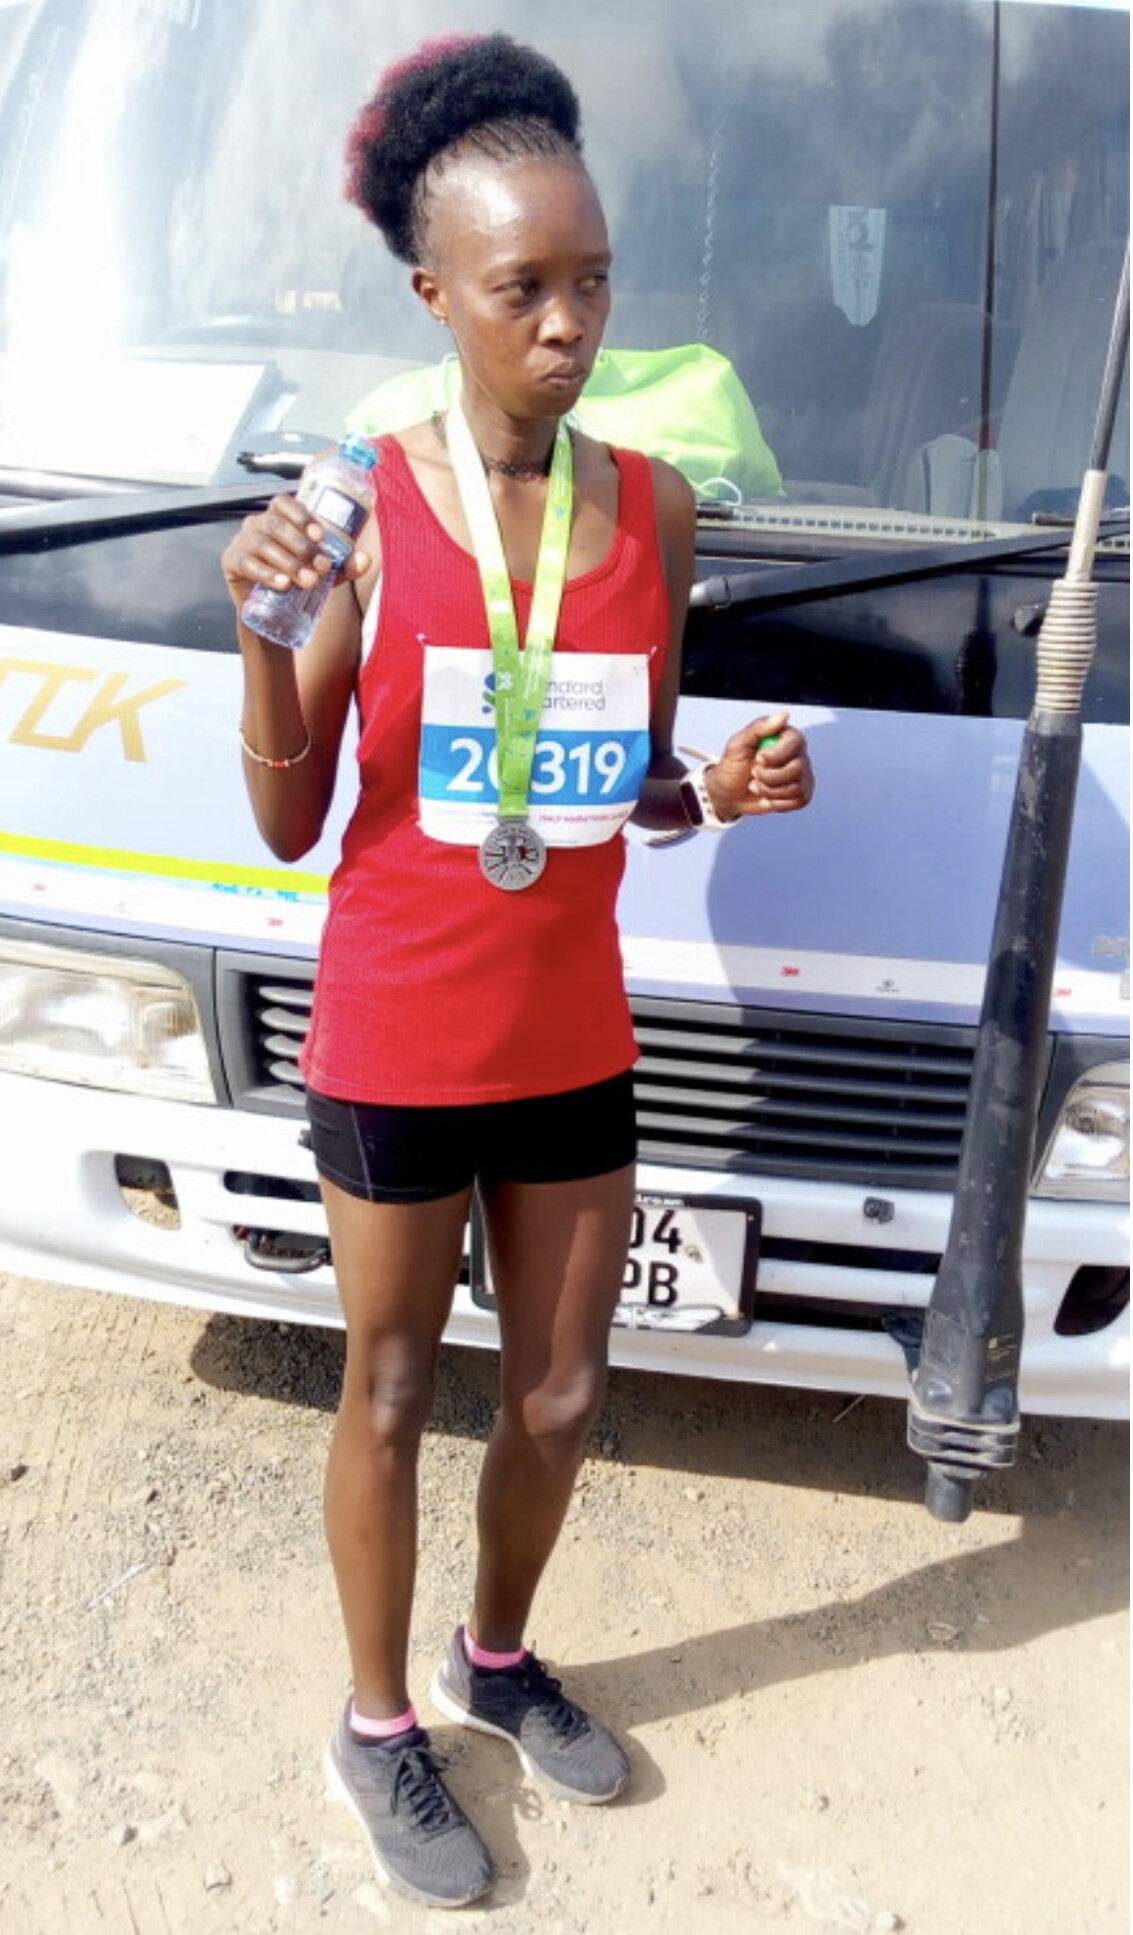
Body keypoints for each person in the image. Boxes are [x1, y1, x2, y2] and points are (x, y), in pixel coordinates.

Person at [221, 32, 814, 1911]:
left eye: (594, 283)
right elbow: (290, 823)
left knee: (558, 1397)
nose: (568, 325)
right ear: (435, 299)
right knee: (392, 1390)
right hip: (398, 1031)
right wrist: (262, 635)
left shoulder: (655, 507)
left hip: (568, 1030)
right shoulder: (361, 512)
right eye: (522, 290)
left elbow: (601, 780)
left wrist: (711, 792)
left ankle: (496, 1656)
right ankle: (377, 1724)